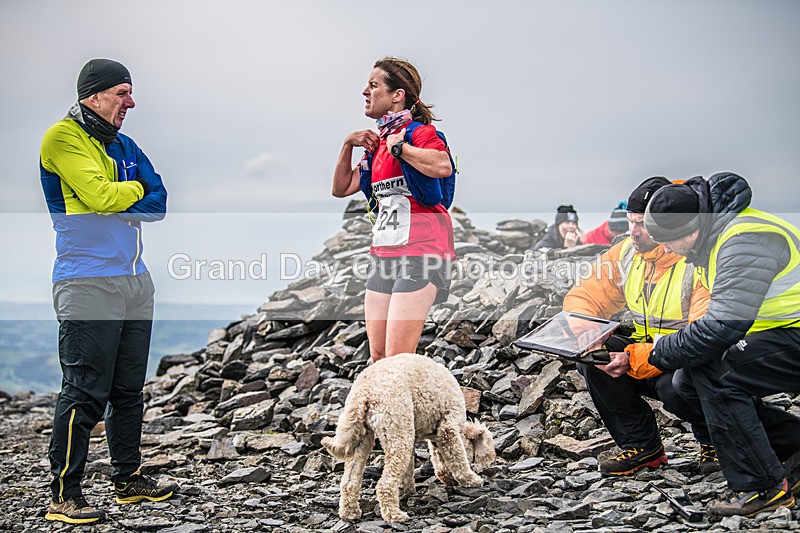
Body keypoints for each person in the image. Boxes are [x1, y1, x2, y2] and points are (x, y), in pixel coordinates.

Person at [39, 58, 178, 524]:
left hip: (135, 281)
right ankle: (64, 494)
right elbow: (101, 198)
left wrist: (120, 194)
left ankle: (128, 479)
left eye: (130, 92)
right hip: (86, 281)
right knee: (84, 391)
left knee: (128, 390)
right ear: (93, 95)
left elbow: (159, 204)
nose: (130, 102)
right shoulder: (62, 138)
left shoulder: (124, 144)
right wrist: (132, 189)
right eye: (122, 93)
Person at [645, 172, 800, 517]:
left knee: (718, 372)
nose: (666, 250)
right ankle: (793, 444)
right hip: (784, 331)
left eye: (668, 241)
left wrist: (661, 351)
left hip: (794, 333)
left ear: (691, 230)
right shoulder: (714, 239)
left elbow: (723, 327)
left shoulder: (744, 240)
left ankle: (764, 487)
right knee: (685, 384)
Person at [562, 177, 716, 475]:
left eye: (642, 224)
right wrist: (589, 335)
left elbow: (702, 338)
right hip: (649, 352)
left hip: (688, 358)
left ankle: (715, 441)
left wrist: (633, 358)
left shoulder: (697, 258)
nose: (633, 231)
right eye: (631, 221)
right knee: (593, 358)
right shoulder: (626, 253)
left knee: (675, 386)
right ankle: (644, 448)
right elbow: (585, 296)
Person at [332, 57, 455, 362]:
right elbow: (341, 188)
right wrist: (348, 144)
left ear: (397, 95)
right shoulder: (377, 144)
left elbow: (443, 166)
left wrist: (401, 148)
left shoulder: (419, 134)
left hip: (423, 251)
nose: (365, 91)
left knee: (398, 358)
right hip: (384, 252)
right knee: (378, 357)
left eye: (373, 85)